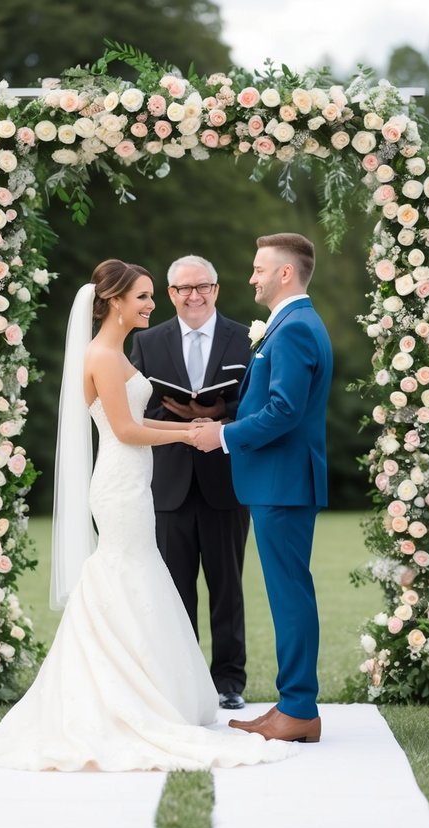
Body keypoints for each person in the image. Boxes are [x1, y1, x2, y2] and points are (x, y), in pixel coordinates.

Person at [0, 259, 295, 771]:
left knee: (138, 580)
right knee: (124, 576)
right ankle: (120, 695)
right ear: (113, 302)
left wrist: (199, 430)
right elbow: (127, 430)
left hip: (133, 481)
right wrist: (193, 432)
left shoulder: (113, 352)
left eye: (154, 296)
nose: (152, 305)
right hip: (119, 482)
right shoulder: (105, 356)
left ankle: (150, 687)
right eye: (145, 297)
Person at [190, 233, 333, 744]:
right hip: (280, 482)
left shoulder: (294, 329)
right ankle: (294, 703)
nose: (251, 277)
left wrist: (223, 435)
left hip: (283, 483)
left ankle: (298, 708)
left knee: (290, 595)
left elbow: (284, 410)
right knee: (287, 593)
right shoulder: (291, 324)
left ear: (285, 274)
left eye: (258, 269)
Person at [130, 255, 252, 711]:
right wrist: (182, 417)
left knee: (227, 585)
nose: (193, 296)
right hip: (170, 481)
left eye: (202, 287)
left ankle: (228, 681)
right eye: (183, 289)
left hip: (227, 477)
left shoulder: (247, 339)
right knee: (174, 587)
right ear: (171, 295)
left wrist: (217, 417)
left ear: (217, 289)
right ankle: (181, 679)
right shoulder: (148, 341)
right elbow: (138, 410)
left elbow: (254, 404)